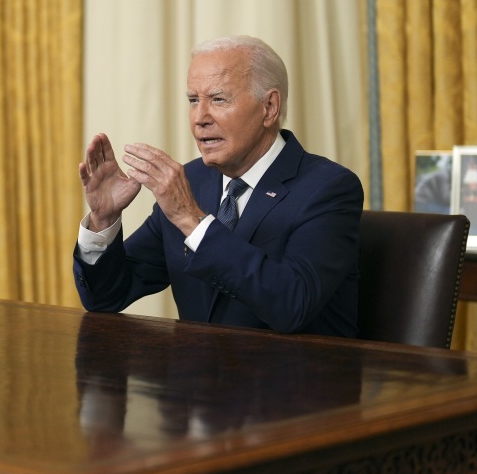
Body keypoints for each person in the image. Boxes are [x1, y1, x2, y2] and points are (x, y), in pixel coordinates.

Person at [74, 36, 363, 336]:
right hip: (197, 378)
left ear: (269, 107)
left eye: (218, 99)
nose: (200, 118)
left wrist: (192, 220)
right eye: (193, 101)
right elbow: (106, 296)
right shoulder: (191, 182)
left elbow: (293, 304)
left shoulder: (328, 189)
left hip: (291, 379)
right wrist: (102, 222)